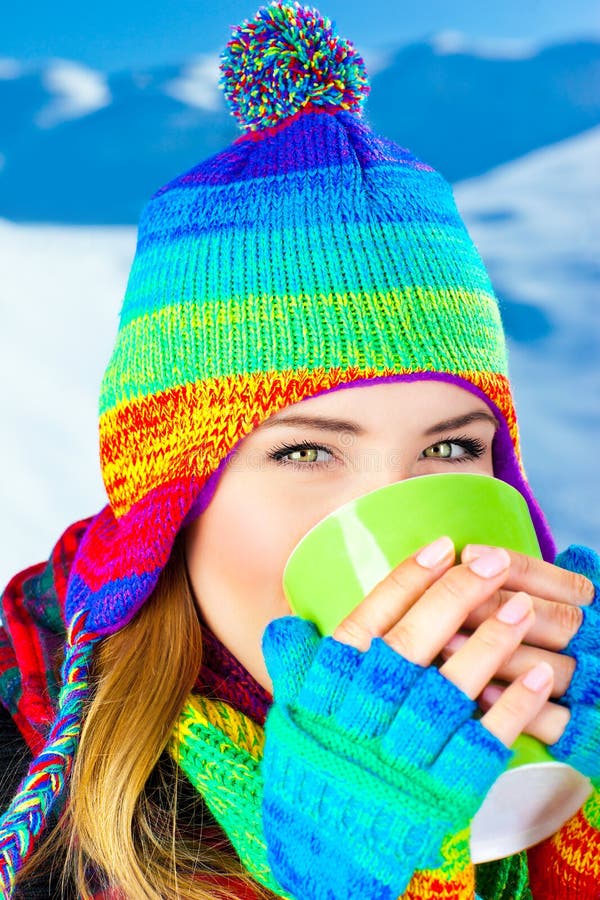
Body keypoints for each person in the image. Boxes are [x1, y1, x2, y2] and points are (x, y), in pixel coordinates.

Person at [1, 3, 599, 898]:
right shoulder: (27, 745)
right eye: (305, 453)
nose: (403, 538)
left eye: (449, 448)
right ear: (171, 505)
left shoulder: (556, 699)